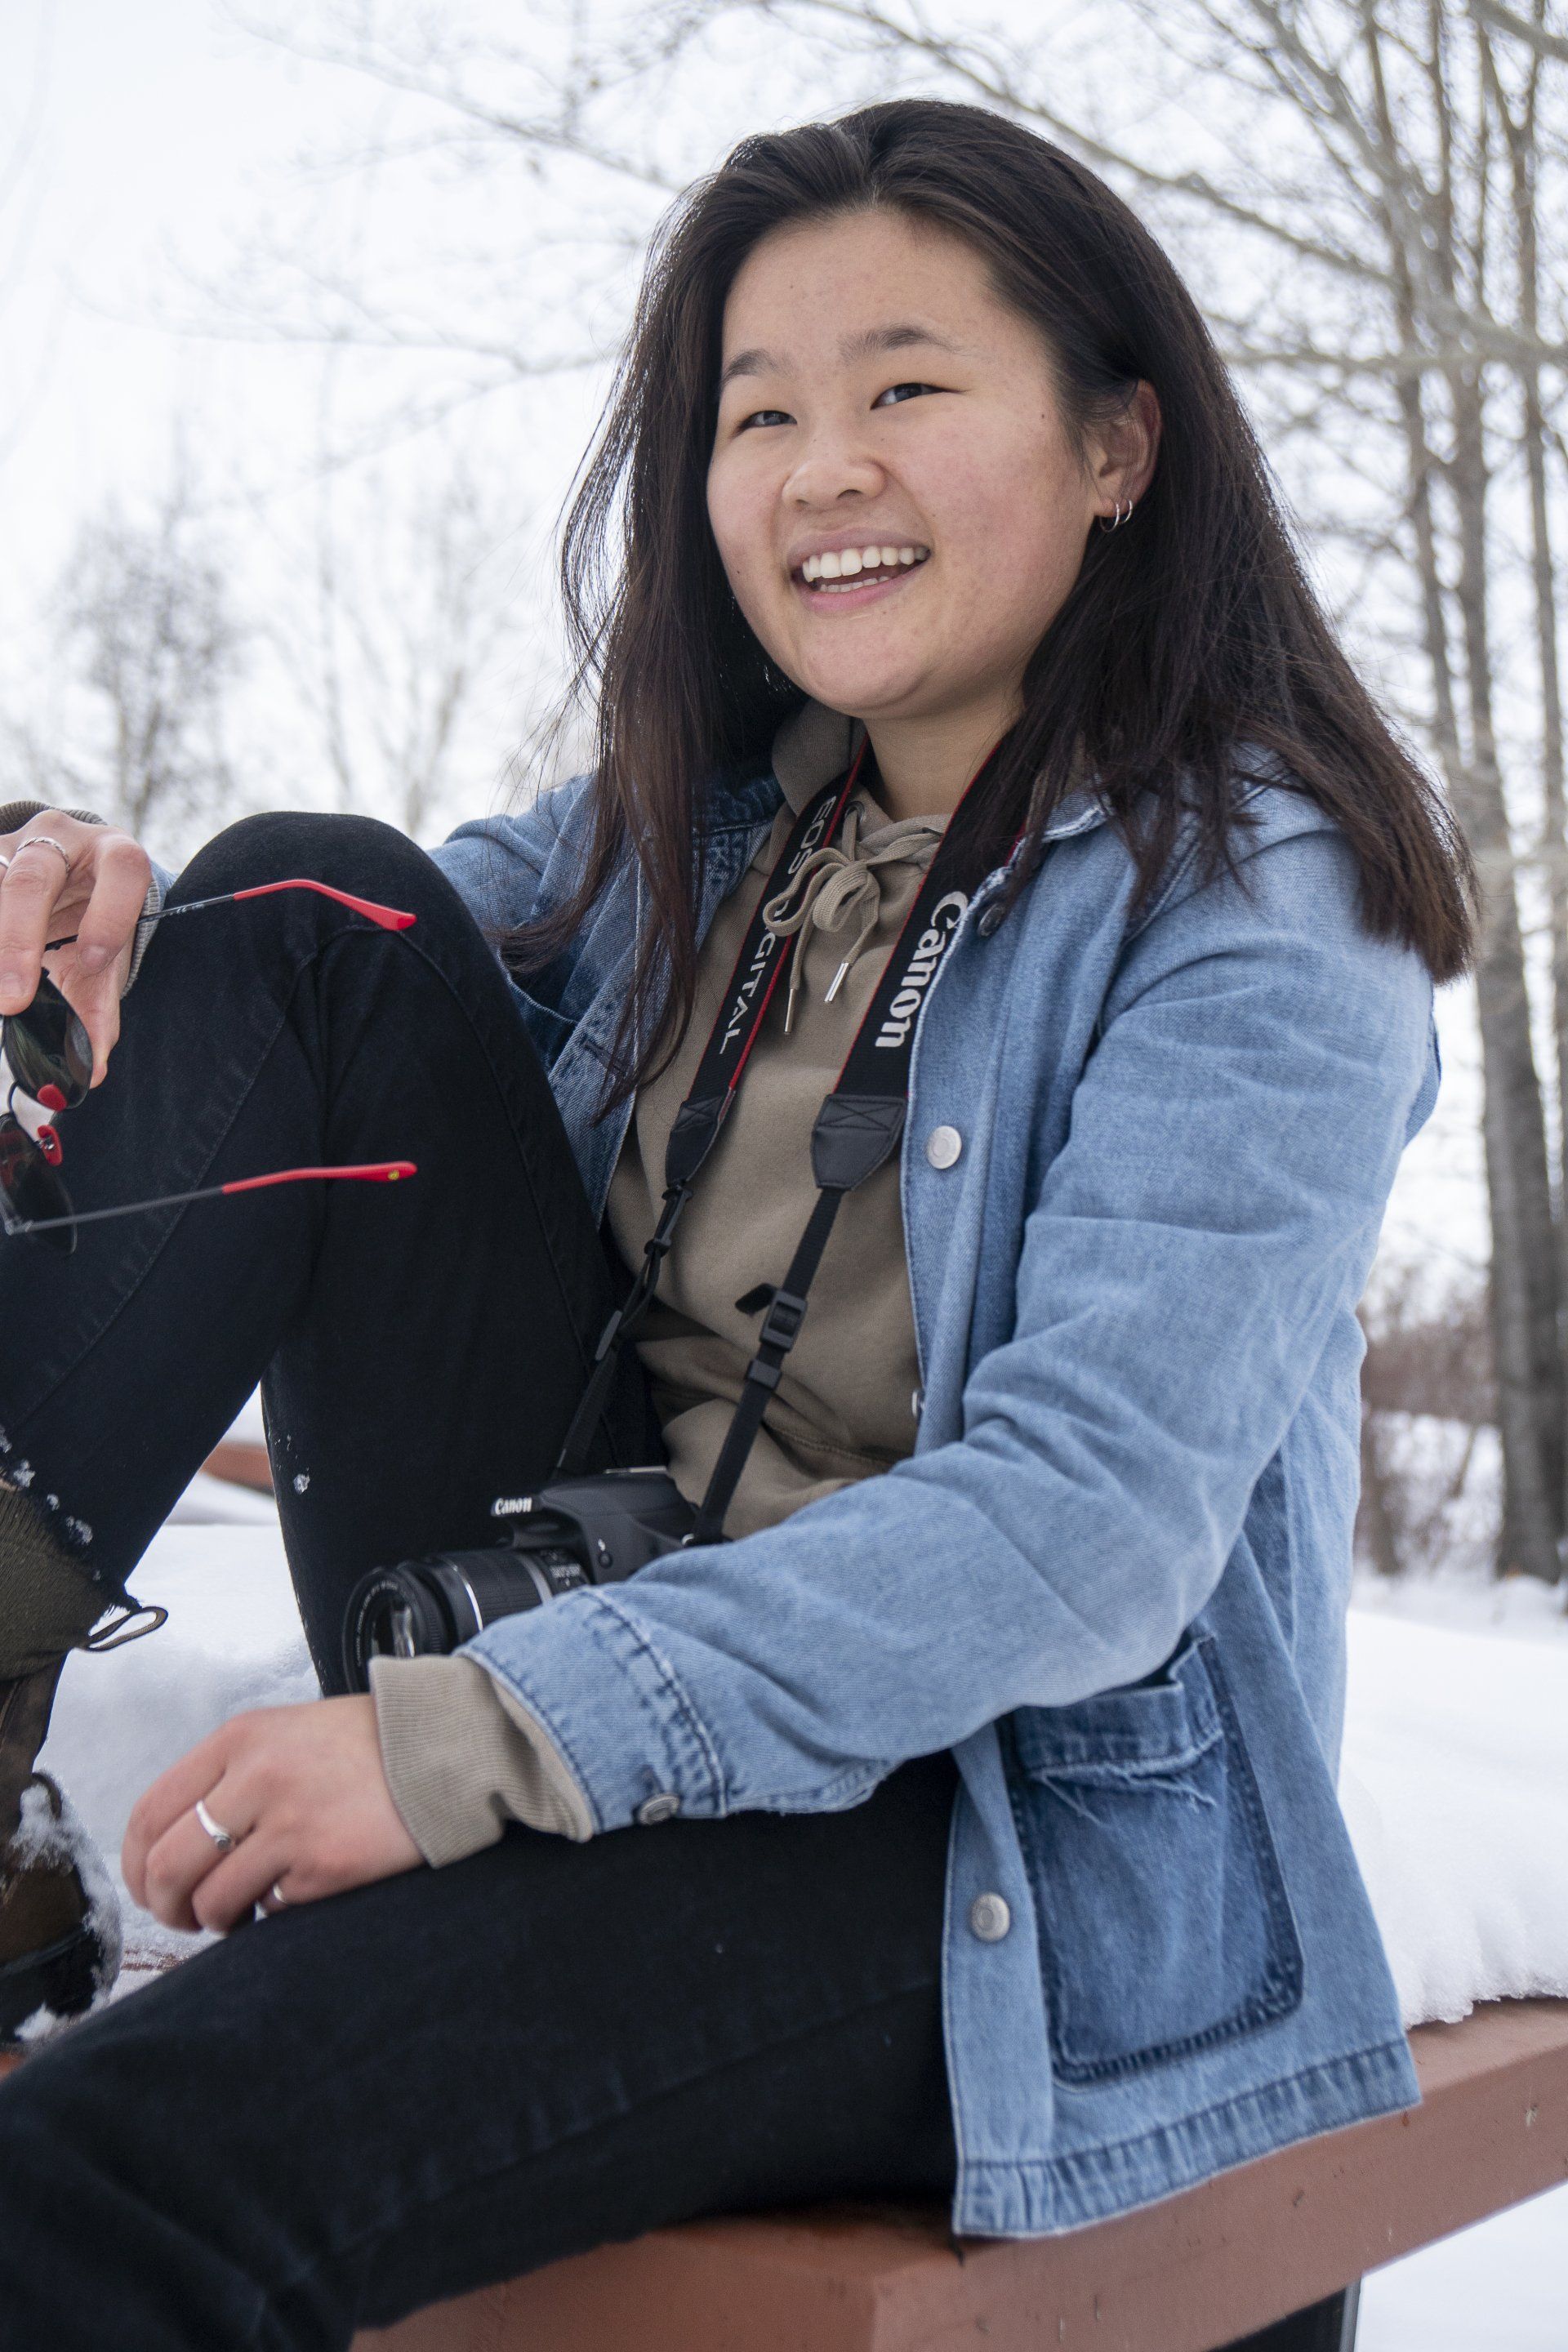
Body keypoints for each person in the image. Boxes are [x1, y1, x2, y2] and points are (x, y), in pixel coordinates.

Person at [0, 96, 1470, 2350]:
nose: (818, 468)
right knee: (301, 905)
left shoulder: (1260, 907)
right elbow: (294, 1002)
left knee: (112, 2179)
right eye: (758, 412)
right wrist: (82, 905)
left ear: (1117, 445)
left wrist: (466, 1736)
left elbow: (1083, 1530)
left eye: (905, 386)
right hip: (576, 1644)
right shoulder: (705, 819)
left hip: (962, 1840)